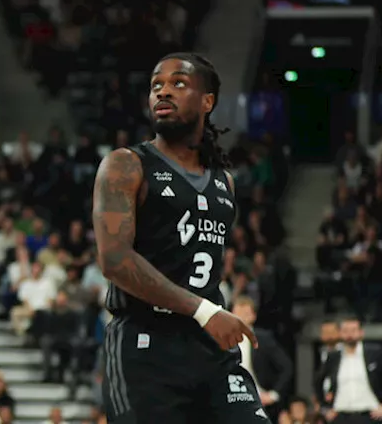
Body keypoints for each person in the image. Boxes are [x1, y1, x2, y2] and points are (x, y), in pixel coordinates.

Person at [92, 52, 266, 423]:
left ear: (208, 101)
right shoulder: (125, 165)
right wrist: (205, 310)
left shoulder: (224, 182)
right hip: (147, 347)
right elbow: (114, 260)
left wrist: (208, 313)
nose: (163, 92)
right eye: (157, 85)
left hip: (210, 349)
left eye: (178, 83)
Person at [316, 317, 382, 423]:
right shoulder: (333, 357)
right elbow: (318, 381)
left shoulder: (375, 353)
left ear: (361, 332)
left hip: (370, 415)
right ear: (340, 333)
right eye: (345, 331)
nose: (349, 335)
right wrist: (325, 408)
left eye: (353, 330)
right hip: (341, 416)